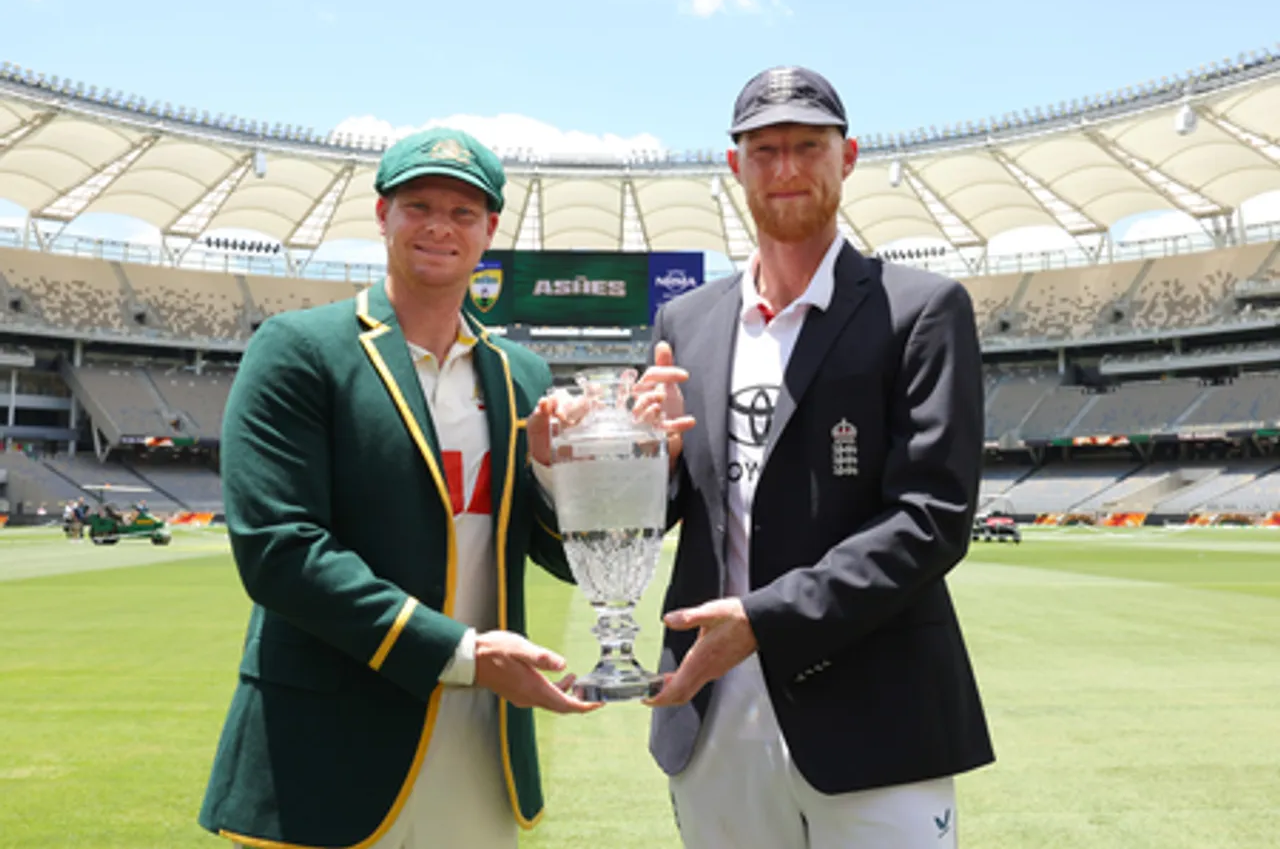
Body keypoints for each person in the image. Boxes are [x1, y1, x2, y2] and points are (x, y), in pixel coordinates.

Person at [198, 126, 598, 849]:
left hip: (481, 754)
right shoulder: (298, 349)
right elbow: (279, 552)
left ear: (489, 232)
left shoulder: (522, 374)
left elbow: (569, 559)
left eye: (463, 212)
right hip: (325, 756)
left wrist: (560, 472)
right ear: (381, 214)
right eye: (418, 205)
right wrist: (465, 655)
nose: (440, 225)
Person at [637, 66, 995, 848]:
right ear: (735, 168)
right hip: (711, 714)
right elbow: (659, 511)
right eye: (764, 150)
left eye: (808, 146)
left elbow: (932, 519)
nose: (787, 168)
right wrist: (639, 463)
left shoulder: (922, 309)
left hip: (878, 719)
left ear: (849, 156)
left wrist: (764, 620)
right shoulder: (686, 320)